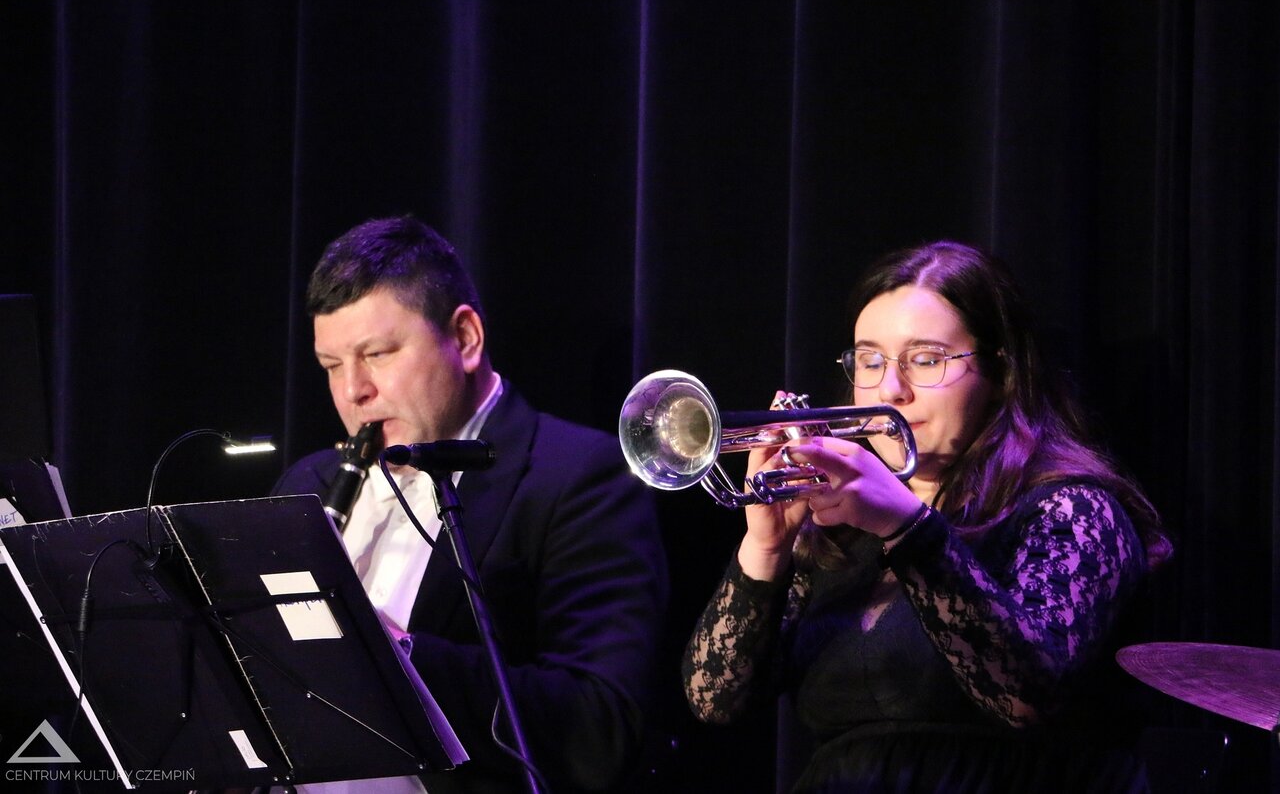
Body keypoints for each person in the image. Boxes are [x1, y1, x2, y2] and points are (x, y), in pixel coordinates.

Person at [681, 241, 1172, 793]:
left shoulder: (1074, 510)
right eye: (871, 362)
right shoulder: (837, 529)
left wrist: (907, 528)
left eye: (926, 359)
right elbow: (715, 701)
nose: (892, 390)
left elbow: (1024, 696)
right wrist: (765, 548)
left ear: (1000, 371)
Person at [271, 215, 668, 794]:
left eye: (376, 353)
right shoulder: (307, 483)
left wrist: (397, 656)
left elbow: (598, 728)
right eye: (332, 366)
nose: (353, 391)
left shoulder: (578, 478)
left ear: (464, 339)